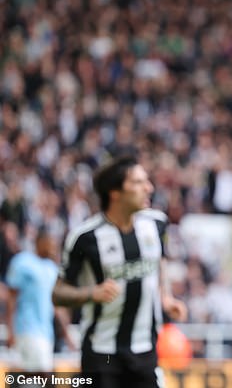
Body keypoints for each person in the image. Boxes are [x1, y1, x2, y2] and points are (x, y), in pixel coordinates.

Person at [53, 155, 188, 388]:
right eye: (138, 182)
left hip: (146, 349)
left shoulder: (157, 224)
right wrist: (91, 294)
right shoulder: (85, 237)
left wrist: (165, 297)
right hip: (101, 354)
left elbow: (160, 261)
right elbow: (58, 293)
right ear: (114, 192)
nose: (149, 188)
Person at [6, 228, 59, 372]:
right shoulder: (22, 262)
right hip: (27, 328)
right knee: (44, 374)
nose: (52, 247)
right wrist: (10, 330)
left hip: (46, 331)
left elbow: (55, 305)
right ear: (39, 242)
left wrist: (66, 336)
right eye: (49, 243)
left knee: (31, 377)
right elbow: (11, 297)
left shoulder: (52, 268)